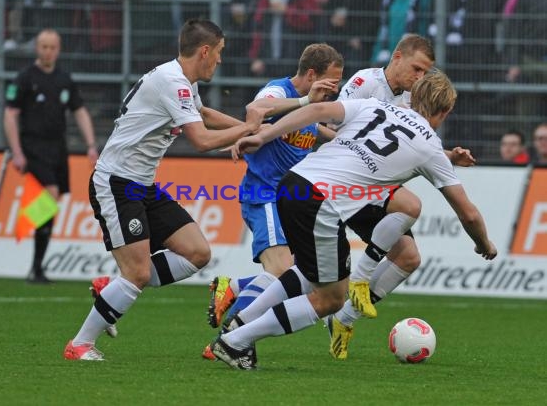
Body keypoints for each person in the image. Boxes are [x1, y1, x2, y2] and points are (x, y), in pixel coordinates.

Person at [210, 70, 497, 370]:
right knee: (331, 298)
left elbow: (318, 110)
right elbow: (468, 213)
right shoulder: (430, 146)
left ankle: (240, 323)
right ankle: (236, 342)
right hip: (320, 201)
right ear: (446, 111)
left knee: (310, 273)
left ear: (414, 96)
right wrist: (484, 244)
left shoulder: (376, 107)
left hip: (294, 183)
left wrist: (263, 135)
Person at [62, 19, 268, 361]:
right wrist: (246, 129)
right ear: (204, 51)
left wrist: (252, 131)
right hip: (116, 183)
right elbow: (201, 139)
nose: (219, 60)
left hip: (141, 184)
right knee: (138, 273)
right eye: (218, 53)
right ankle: (80, 344)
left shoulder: (180, 80)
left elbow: (201, 113)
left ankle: (110, 288)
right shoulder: (173, 82)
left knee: (197, 252)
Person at [325, 33, 475, 360]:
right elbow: (328, 127)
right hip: (339, 183)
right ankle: (237, 294)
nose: (420, 78)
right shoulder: (365, 82)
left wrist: (448, 155)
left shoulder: (409, 100)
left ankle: (343, 320)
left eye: (426, 73)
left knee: (408, 257)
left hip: (374, 189)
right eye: (417, 69)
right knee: (312, 279)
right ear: (397, 57)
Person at [202, 43, 343, 360]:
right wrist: (308, 100)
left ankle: (235, 289)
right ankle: (230, 339)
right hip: (264, 193)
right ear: (311, 75)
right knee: (281, 270)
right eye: (331, 82)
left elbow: (315, 126)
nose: (334, 90)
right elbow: (257, 109)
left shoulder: (310, 109)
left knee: (298, 275)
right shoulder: (279, 90)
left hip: (291, 200)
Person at [4, 28, 99, 284]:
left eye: (52, 47)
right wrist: (17, 152)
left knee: (51, 202)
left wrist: (91, 145)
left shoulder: (64, 79)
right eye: (43, 46)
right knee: (52, 193)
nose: (47, 51)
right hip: (32, 146)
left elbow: (79, 111)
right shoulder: (25, 78)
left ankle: (36, 266)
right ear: (37, 48)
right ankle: (31, 245)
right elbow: (10, 115)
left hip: (58, 148)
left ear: (59, 49)